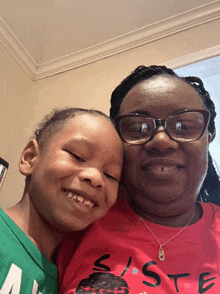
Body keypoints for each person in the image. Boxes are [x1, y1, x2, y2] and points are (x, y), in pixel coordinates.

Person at [59, 66, 220, 294]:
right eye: (138, 127)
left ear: (208, 139)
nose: (162, 140)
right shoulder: (79, 216)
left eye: (184, 126)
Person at [0, 107, 123, 293]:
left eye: (110, 175)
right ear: (30, 157)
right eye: (78, 157)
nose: (96, 178)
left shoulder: (72, 282)